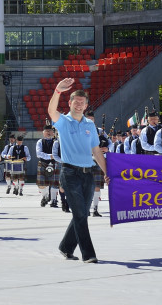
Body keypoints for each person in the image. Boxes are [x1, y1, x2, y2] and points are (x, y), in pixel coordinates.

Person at [48, 78, 108, 262]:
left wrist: (107, 172)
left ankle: (66, 246)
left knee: (81, 213)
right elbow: (51, 111)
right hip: (70, 173)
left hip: (88, 173)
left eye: (83, 102)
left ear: (86, 105)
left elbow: (96, 151)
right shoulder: (63, 121)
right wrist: (57, 90)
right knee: (81, 214)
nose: (79, 104)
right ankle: (88, 254)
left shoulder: (90, 125)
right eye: (76, 101)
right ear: (70, 103)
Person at [35, 124, 61, 208]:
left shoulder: (57, 141)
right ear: (43, 133)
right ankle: (45, 196)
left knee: (55, 183)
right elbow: (38, 154)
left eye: (50, 131)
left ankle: (54, 200)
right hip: (43, 163)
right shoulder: (40, 142)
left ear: (53, 133)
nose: (48, 133)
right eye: (46, 131)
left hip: (55, 163)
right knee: (41, 184)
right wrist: (50, 156)